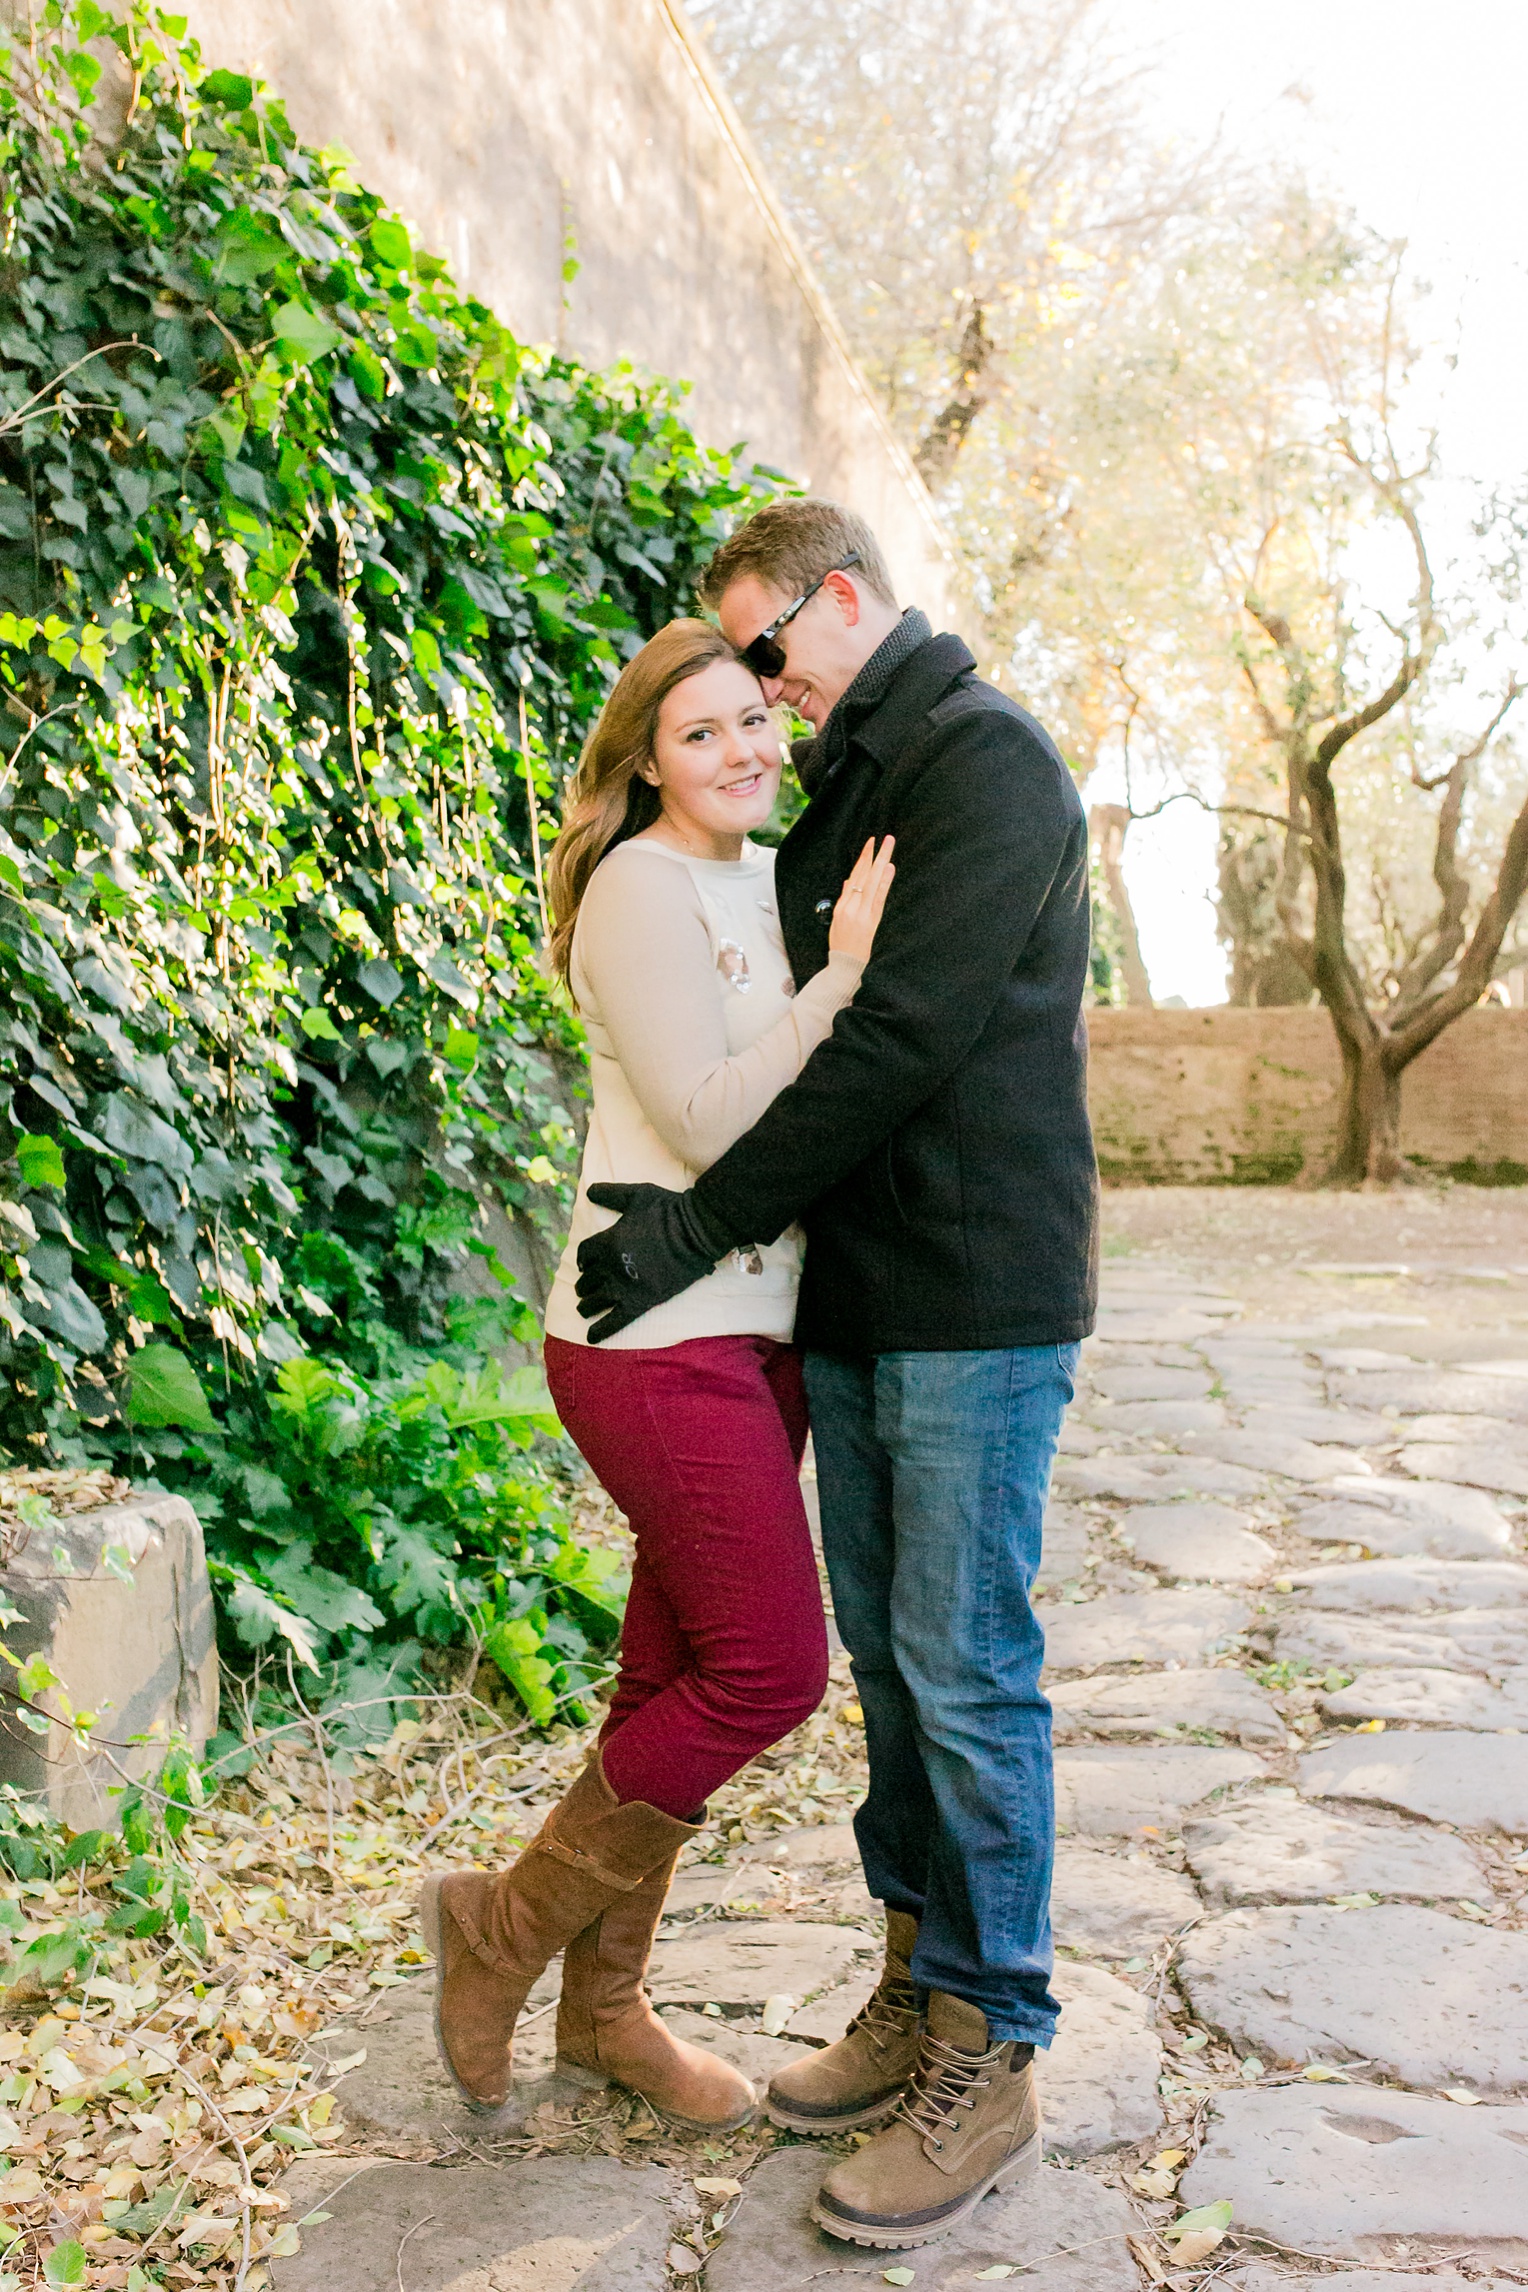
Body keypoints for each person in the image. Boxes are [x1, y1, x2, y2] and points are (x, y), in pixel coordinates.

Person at [575, 500, 1098, 2250]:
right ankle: (916, 1986)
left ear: (845, 604)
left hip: (974, 1296)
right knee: (891, 1665)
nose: (771, 699)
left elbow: (890, 1040)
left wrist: (692, 1225)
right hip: (862, 1303)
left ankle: (994, 2047)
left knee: (965, 1668)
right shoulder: (860, 772)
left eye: (776, 656)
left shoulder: (985, 765)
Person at [419, 617, 895, 2129]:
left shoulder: (766, 870)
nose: (743, 749)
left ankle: (605, 2016)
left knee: (670, 1676)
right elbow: (706, 1124)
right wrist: (845, 983)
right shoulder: (637, 887)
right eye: (699, 735)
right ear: (646, 765)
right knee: (770, 1669)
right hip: (652, 1341)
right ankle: (497, 1932)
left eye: (755, 718)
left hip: (755, 1336)